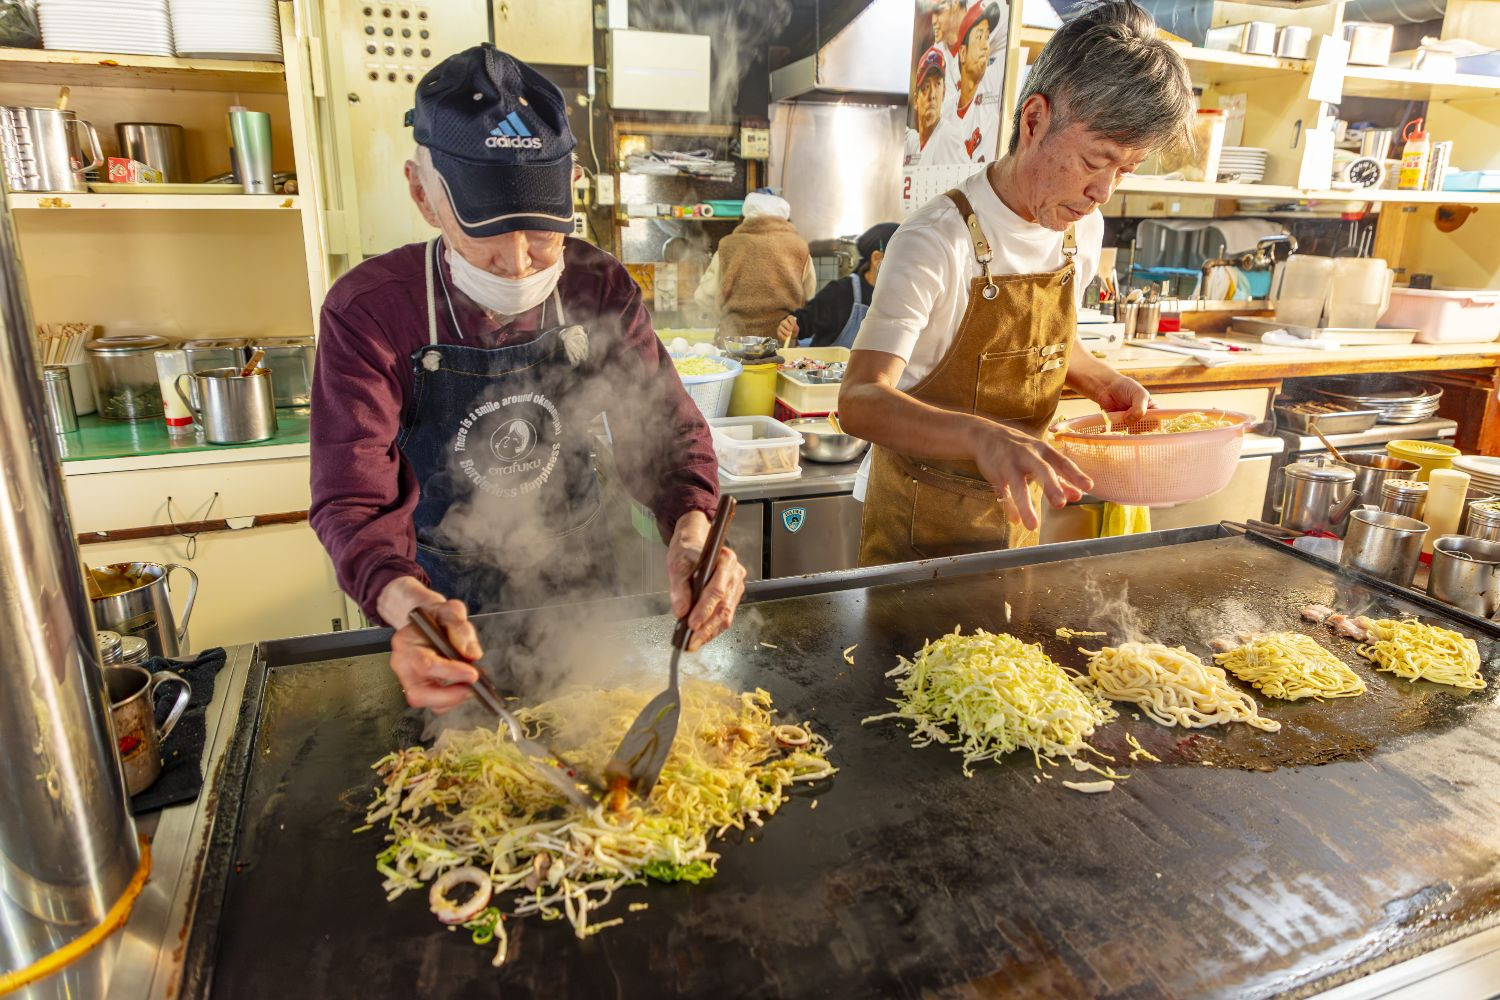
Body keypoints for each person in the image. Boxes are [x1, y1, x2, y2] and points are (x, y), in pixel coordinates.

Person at [309, 45, 747, 713]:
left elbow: (662, 434)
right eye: (485, 235)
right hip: (438, 606)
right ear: (422, 193)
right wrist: (407, 604)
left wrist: (694, 530)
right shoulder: (371, 312)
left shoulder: (596, 286)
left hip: (581, 592)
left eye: (542, 233)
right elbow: (354, 504)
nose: (517, 265)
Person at [839, 0, 1195, 566]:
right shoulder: (935, 239)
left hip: (1016, 522)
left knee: (1008, 654)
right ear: (1034, 120)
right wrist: (981, 437)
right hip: (917, 524)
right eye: (1093, 160)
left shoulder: (1082, 226)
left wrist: (1103, 382)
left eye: (1124, 170)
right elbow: (860, 401)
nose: (1104, 192)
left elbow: (1048, 348)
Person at [692, 191, 815, 341]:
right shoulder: (799, 248)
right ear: (786, 220)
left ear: (745, 218)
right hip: (782, 344)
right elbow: (809, 294)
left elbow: (703, 296)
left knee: (734, 365)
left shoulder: (728, 246)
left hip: (734, 343)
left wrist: (726, 316)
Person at [777, 223, 899, 349]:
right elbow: (800, 323)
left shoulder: (903, 298)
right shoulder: (841, 293)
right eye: (903, 259)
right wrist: (790, 326)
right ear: (877, 258)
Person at [923, 2, 1007, 165]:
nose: (985, 45)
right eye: (979, 37)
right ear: (963, 52)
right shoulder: (945, 115)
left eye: (987, 37)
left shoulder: (991, 85)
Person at [903, 47, 946, 167]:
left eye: (937, 84)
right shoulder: (912, 143)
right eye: (926, 87)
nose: (932, 95)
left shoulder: (948, 139)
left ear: (944, 93)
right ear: (916, 100)